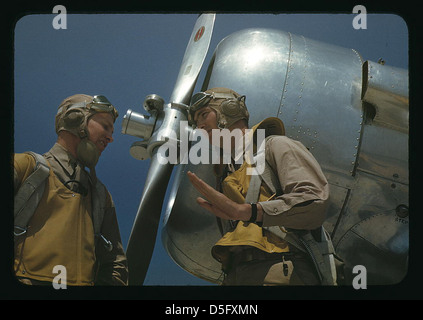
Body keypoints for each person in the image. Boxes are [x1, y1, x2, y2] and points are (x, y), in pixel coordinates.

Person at [187, 87, 331, 285]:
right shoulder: (226, 175)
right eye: (196, 123)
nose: (200, 126)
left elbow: (314, 202)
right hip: (236, 276)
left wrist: (247, 211)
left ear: (229, 110)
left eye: (204, 115)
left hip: (281, 270)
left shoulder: (277, 145)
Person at [13, 94, 128, 286]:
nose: (110, 137)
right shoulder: (25, 167)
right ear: (75, 118)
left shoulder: (101, 196)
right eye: (105, 126)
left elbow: (115, 263)